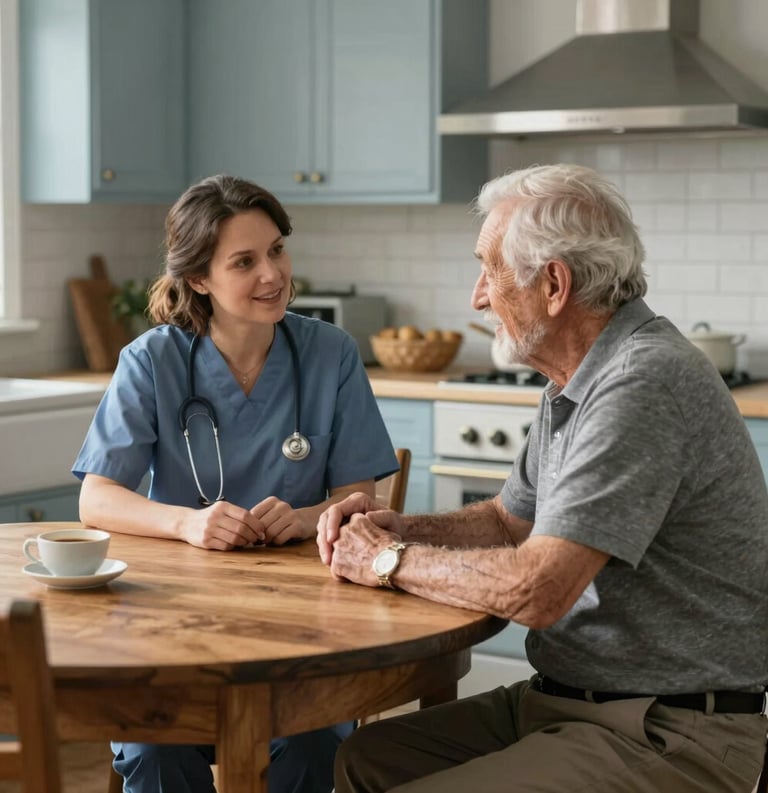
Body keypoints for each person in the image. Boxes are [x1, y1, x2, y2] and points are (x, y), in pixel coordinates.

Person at [316, 163, 768, 793]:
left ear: (553, 285)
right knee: (364, 759)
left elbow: (540, 590)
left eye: (489, 269)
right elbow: (509, 519)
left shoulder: (642, 382)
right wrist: (400, 525)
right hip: (569, 701)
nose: (477, 296)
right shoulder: (574, 378)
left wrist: (387, 559)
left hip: (667, 729)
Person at [72, 174, 399, 793]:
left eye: (276, 250)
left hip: (302, 631)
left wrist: (307, 519)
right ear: (199, 278)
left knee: (311, 747)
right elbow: (96, 497)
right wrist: (186, 522)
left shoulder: (331, 354)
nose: (272, 275)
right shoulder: (151, 361)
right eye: (244, 261)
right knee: (156, 752)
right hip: (175, 630)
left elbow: (361, 499)